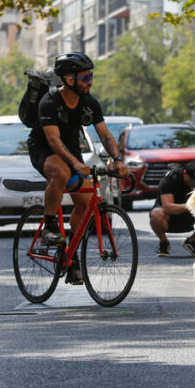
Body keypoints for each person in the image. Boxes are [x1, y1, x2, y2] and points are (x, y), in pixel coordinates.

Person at [27, 51, 129, 284]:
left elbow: (105, 135)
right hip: (43, 148)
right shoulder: (50, 102)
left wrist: (118, 159)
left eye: (91, 76)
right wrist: (75, 163)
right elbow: (53, 140)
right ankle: (50, 226)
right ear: (69, 79)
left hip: (71, 150)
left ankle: (71, 257)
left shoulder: (89, 103)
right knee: (61, 173)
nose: (90, 82)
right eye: (85, 78)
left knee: (85, 204)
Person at [150, 160, 195, 257]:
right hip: (171, 218)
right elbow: (167, 207)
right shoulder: (170, 179)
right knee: (156, 214)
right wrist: (190, 205)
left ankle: (192, 241)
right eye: (193, 181)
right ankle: (164, 242)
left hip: (192, 218)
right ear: (185, 173)